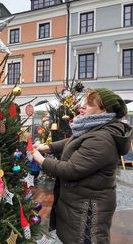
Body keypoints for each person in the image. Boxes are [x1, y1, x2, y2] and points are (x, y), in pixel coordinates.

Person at [32, 88, 133, 244]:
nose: (83, 106)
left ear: (104, 110)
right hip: (79, 204)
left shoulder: (102, 138)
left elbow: (71, 169)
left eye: (90, 104)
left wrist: (41, 160)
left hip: (87, 212)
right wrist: (49, 147)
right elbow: (74, 141)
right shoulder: (96, 128)